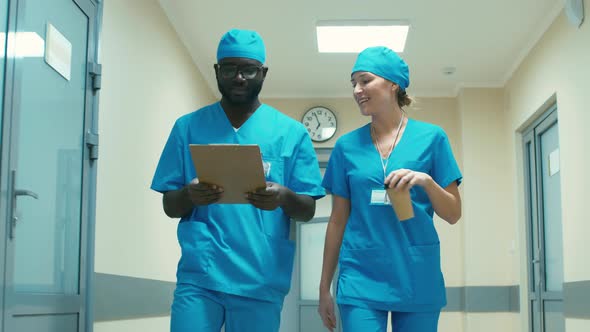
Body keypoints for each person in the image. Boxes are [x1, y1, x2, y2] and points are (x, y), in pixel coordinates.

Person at [151, 29, 325, 332]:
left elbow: (307, 209)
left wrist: (284, 196)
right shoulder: (188, 127)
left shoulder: (290, 133)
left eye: (249, 69)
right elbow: (170, 205)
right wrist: (190, 195)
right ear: (218, 72)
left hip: (259, 275)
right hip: (201, 274)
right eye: (229, 68)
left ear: (263, 73)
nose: (239, 77)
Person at [317, 46, 462, 332]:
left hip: (416, 273)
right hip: (361, 275)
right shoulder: (346, 147)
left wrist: (426, 182)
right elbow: (337, 220)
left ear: (393, 83)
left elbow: (453, 213)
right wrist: (324, 286)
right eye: (354, 83)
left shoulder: (432, 138)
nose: (357, 89)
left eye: (365, 80)